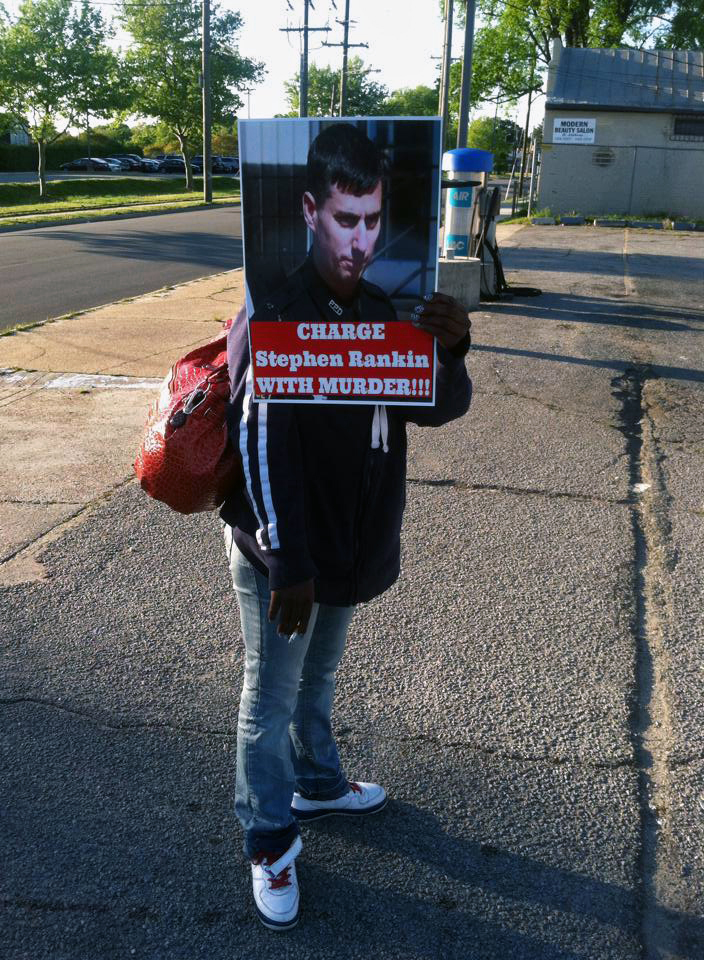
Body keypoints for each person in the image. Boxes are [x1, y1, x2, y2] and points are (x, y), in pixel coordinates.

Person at [220, 122, 472, 931]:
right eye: (344, 220)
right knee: (270, 696)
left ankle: (317, 783)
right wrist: (286, 557)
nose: (360, 240)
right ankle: (268, 841)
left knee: (317, 680)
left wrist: (453, 350)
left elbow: (434, 409)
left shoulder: (385, 308)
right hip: (284, 549)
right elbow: (259, 439)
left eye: (371, 221)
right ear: (310, 212)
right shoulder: (273, 309)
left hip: (348, 540)